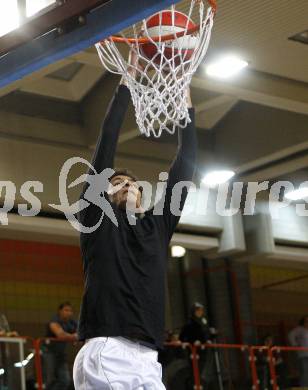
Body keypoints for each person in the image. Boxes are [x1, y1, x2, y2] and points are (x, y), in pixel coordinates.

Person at [73, 49, 197, 389]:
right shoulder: (97, 219)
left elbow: (184, 166)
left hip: (147, 357)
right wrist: (126, 84)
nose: (126, 185)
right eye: (117, 182)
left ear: (141, 197)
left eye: (132, 183)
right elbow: (106, 146)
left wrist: (187, 110)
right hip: (107, 348)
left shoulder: (155, 228)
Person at [44, 302, 78, 390]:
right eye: (66, 310)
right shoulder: (54, 320)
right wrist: (73, 337)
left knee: (65, 380)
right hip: (49, 353)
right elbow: (60, 335)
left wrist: (73, 337)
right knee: (50, 380)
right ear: (60, 311)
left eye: (70, 311)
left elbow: (81, 332)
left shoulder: (72, 322)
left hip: (61, 355)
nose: (69, 313)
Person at [288, 315, 308, 387]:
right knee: (304, 371)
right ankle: (304, 387)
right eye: (306, 321)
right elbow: (290, 335)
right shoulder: (299, 329)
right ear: (303, 322)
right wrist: (295, 345)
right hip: (303, 354)